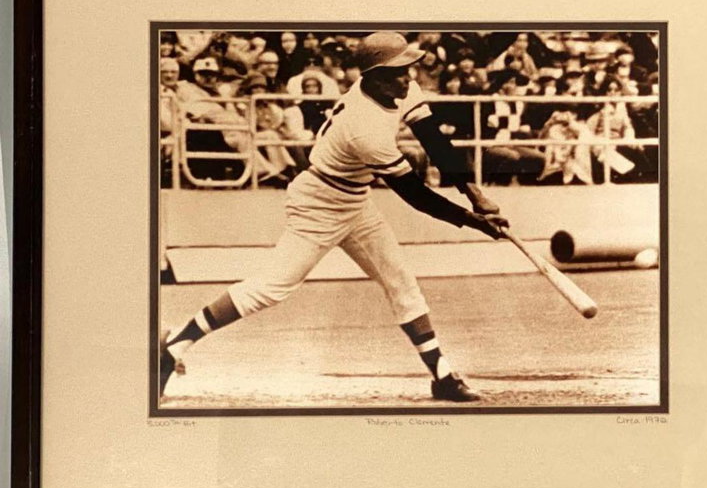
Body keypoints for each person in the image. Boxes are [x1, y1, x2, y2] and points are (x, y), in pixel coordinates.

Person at [157, 32, 511, 403]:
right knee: (271, 287)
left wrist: (476, 195)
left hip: (356, 200)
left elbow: (435, 141)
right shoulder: (364, 126)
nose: (408, 78)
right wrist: (473, 221)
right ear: (372, 77)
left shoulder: (399, 87)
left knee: (401, 282)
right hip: (319, 202)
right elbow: (415, 195)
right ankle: (175, 345)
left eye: (408, 69)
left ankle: (442, 377)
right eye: (397, 72)